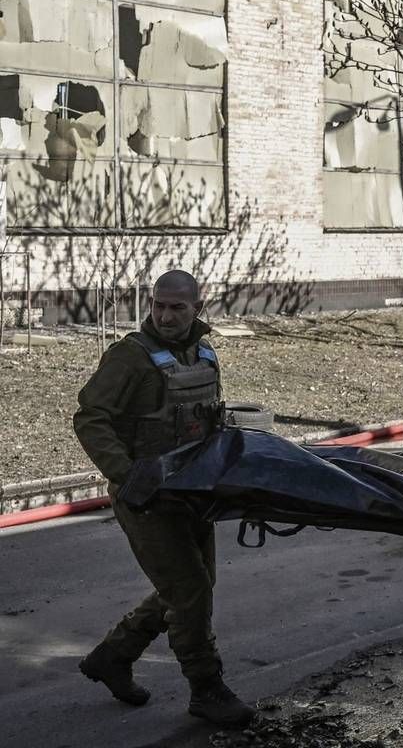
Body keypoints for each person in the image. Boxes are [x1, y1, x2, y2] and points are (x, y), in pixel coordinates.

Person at [72, 270, 254, 729]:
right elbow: (91, 417)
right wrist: (126, 473)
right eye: (158, 305)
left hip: (194, 492)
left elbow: (209, 420)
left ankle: (114, 655)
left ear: (197, 307)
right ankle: (206, 688)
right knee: (189, 590)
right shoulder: (129, 358)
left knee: (196, 583)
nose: (165, 315)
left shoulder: (205, 352)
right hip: (148, 498)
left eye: (177, 307)